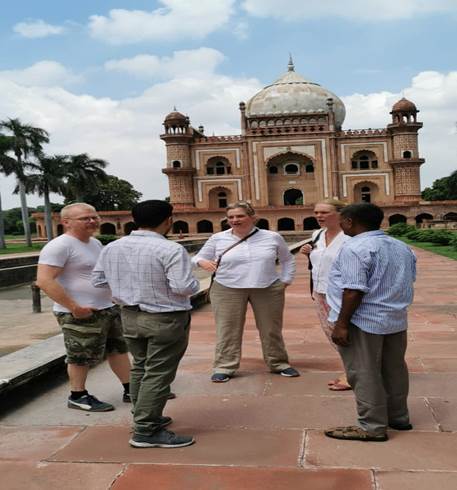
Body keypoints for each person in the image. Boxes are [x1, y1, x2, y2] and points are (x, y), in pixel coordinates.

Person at [92, 200, 199, 449]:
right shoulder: (170, 249)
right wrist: (194, 283)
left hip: (129, 315)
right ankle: (145, 430)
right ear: (168, 220)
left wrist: (126, 288)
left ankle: (143, 416)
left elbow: (98, 280)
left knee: (141, 367)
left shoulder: (112, 248)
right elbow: (183, 287)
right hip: (165, 317)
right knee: (159, 372)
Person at [324, 203, 416, 442]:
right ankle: (398, 417)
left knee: (363, 372)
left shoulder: (355, 247)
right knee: (393, 369)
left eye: (343, 220)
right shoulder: (401, 246)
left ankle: (371, 426)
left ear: (350, 222)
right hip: (395, 318)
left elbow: (353, 290)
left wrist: (342, 324)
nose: (341, 224)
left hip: (362, 321)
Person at [36, 203, 131, 412]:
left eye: (94, 217)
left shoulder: (94, 243)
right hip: (79, 312)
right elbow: (44, 280)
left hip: (106, 308)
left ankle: (130, 388)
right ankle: (77, 395)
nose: (92, 221)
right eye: (85, 218)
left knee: (118, 349)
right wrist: (74, 307)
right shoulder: (60, 246)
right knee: (80, 355)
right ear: (66, 222)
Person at [193, 201, 299, 382]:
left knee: (271, 328)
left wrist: (285, 281)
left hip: (266, 287)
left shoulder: (272, 237)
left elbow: (287, 259)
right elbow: (198, 257)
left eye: (240, 216)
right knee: (227, 329)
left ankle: (279, 363)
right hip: (227, 287)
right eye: (231, 217)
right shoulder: (218, 238)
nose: (235, 220)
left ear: (253, 218)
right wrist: (202, 262)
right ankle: (225, 366)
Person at [300, 199, 351, 391]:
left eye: (324, 212)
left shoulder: (350, 236)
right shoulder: (317, 234)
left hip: (343, 293)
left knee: (346, 333)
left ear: (340, 214)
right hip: (320, 292)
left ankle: (354, 374)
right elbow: (322, 259)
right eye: (316, 212)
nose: (319, 216)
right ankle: (353, 369)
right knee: (332, 333)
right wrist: (309, 253)